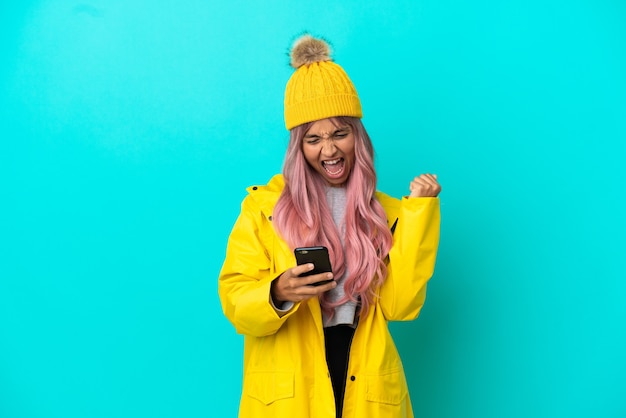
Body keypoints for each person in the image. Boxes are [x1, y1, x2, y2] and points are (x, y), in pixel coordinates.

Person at [218, 34, 441, 418]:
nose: (329, 150)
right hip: (291, 387)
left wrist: (421, 213)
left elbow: (401, 306)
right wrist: (278, 291)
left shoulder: (386, 213)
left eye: (340, 133)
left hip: (365, 380)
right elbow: (236, 303)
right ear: (298, 148)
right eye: (313, 139)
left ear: (359, 137)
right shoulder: (262, 208)